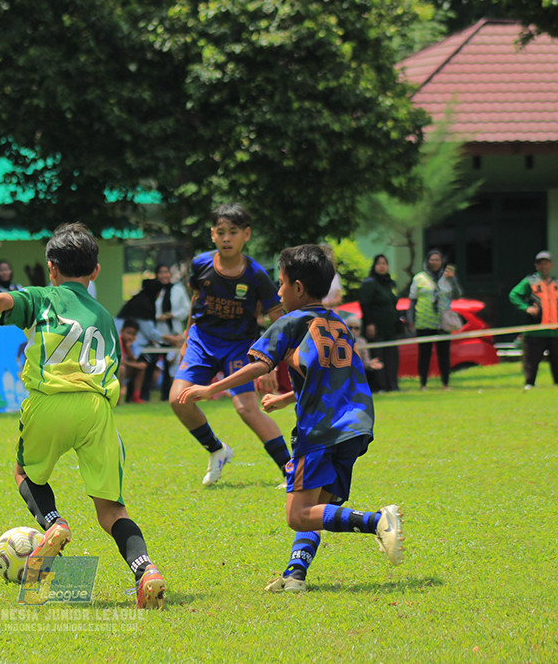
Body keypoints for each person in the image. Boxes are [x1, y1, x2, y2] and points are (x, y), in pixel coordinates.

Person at [0, 222, 166, 609]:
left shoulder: (44, 297)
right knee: (112, 509)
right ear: (95, 271)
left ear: (51, 267)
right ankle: (146, 570)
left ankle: (54, 523)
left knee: (24, 473)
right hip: (97, 410)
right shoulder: (103, 316)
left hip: (50, 401)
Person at [178, 244, 404, 593]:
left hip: (320, 431)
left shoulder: (291, 322)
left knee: (297, 514)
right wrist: (287, 397)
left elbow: (258, 365)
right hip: (355, 426)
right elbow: (335, 373)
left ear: (298, 288)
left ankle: (377, 521)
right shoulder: (337, 323)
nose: (278, 292)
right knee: (317, 508)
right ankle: (295, 576)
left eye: (281, 284)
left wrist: (211, 389)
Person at [168, 203, 289, 486]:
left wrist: (269, 358)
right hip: (202, 340)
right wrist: (187, 338)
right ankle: (217, 450)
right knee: (178, 400)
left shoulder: (257, 275)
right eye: (220, 232)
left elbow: (277, 317)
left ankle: (290, 468)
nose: (226, 238)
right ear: (212, 234)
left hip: (239, 345)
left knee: (247, 408)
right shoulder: (201, 264)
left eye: (232, 232)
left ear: (246, 235)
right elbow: (197, 302)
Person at [408, 249, 462, 390]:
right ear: (427, 261)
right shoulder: (419, 278)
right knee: (424, 354)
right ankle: (423, 384)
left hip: (443, 322)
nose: (434, 262)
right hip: (424, 322)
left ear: (442, 262)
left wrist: (453, 280)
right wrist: (410, 319)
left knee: (444, 354)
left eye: (437, 260)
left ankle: (445, 384)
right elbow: (412, 300)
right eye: (432, 259)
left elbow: (457, 295)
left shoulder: (447, 278)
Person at [508, 250, 558, 389]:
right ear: (536, 266)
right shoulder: (530, 282)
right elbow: (514, 295)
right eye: (541, 264)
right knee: (532, 359)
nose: (544, 267)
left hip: (555, 331)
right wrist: (526, 307)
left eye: (546, 263)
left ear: (551, 265)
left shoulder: (556, 283)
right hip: (535, 330)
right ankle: (530, 383)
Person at [358, 254, 400, 392]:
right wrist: (370, 324)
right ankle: (379, 386)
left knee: (392, 356)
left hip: (390, 327)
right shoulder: (369, 283)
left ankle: (392, 385)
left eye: (385, 263)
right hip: (376, 327)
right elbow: (365, 305)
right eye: (379, 263)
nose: (382, 266)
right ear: (374, 266)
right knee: (378, 355)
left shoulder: (391, 283)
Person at [153, 264, 189, 400]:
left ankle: (174, 393)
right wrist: (158, 317)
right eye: (161, 273)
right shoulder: (154, 290)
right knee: (156, 362)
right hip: (159, 332)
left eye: (166, 272)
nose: (164, 276)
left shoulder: (178, 290)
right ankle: (157, 392)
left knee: (175, 363)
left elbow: (186, 309)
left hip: (175, 331)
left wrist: (172, 315)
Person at [118, 319, 149, 405]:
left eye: (133, 334)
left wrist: (128, 348)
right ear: (122, 331)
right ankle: (117, 397)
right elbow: (121, 361)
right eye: (128, 333)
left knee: (141, 368)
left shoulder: (131, 344)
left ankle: (136, 397)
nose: (130, 336)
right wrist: (136, 365)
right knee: (121, 369)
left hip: (126, 369)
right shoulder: (118, 341)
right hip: (115, 371)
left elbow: (134, 360)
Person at [321, 244, 344, 308]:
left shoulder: (335, 276)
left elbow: (339, 298)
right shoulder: (312, 276)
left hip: (331, 313)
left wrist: (326, 304)